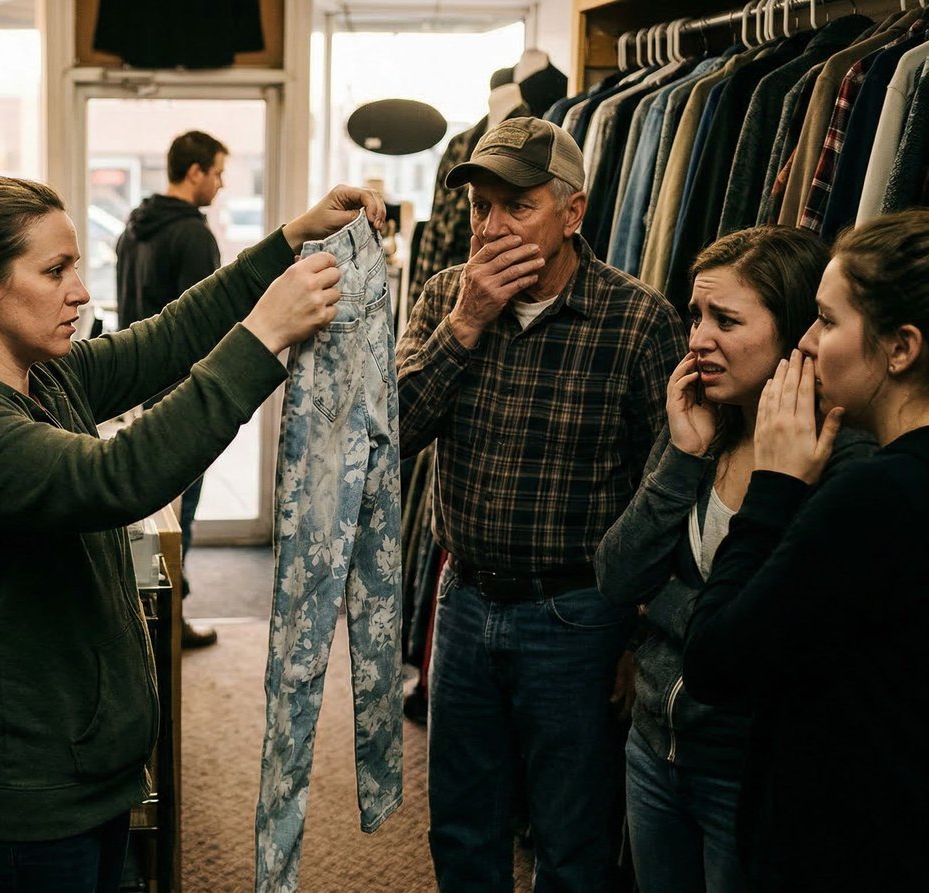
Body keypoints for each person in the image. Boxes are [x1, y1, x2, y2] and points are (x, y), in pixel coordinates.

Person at [0, 174, 382, 891]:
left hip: (83, 778)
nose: (80, 292)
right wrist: (264, 334)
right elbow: (118, 477)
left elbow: (168, 338)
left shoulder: (43, 378)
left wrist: (290, 239)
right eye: (55, 271)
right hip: (20, 807)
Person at [395, 116, 686, 893]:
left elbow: (665, 488)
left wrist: (639, 633)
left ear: (573, 212)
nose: (490, 227)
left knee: (570, 836)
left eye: (517, 206)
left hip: (577, 613)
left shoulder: (638, 320)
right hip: (463, 598)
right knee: (462, 825)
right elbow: (392, 433)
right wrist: (466, 323)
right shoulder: (444, 295)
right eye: (480, 206)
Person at [594, 226, 872, 893]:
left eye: (726, 319)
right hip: (653, 746)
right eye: (696, 315)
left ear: (795, 329)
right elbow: (616, 576)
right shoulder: (700, 426)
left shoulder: (837, 455)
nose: (697, 338)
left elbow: (778, 634)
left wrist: (665, 606)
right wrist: (682, 457)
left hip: (746, 770)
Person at [683, 210, 929, 893]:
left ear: (900, 347)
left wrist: (772, 488)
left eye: (826, 320)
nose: (807, 342)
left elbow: (715, 660)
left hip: (845, 842)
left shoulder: (876, 495)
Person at [115, 129, 230, 649]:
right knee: (178, 516)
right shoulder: (193, 237)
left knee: (146, 516)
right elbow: (207, 325)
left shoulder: (133, 228)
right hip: (182, 395)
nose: (221, 184)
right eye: (217, 173)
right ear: (194, 171)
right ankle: (170, 623)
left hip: (132, 387)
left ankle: (144, 621)